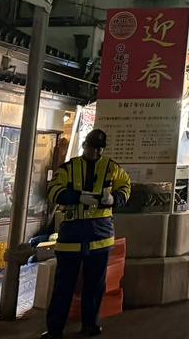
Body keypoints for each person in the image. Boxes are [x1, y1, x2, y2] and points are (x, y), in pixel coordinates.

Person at [42, 129, 131, 339]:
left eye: (100, 148)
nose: (96, 152)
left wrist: (115, 199)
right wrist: (76, 197)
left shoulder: (111, 168)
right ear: (85, 146)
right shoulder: (69, 168)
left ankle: (90, 324)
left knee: (95, 285)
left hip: (101, 236)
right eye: (93, 147)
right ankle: (55, 329)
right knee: (64, 285)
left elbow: (126, 187)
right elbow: (53, 190)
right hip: (72, 235)